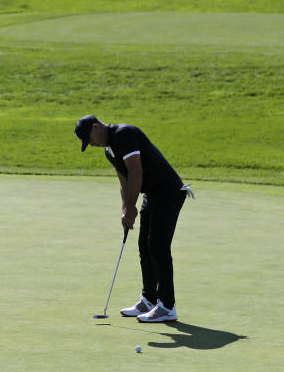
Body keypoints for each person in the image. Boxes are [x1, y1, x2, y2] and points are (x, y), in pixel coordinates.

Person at [74, 115, 194, 323]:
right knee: (144, 246)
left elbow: (136, 171)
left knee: (158, 246)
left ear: (96, 127)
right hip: (152, 194)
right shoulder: (109, 150)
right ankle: (148, 299)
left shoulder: (124, 134)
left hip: (168, 191)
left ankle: (167, 306)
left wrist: (131, 206)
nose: (91, 144)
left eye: (89, 139)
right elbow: (125, 182)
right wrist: (125, 210)